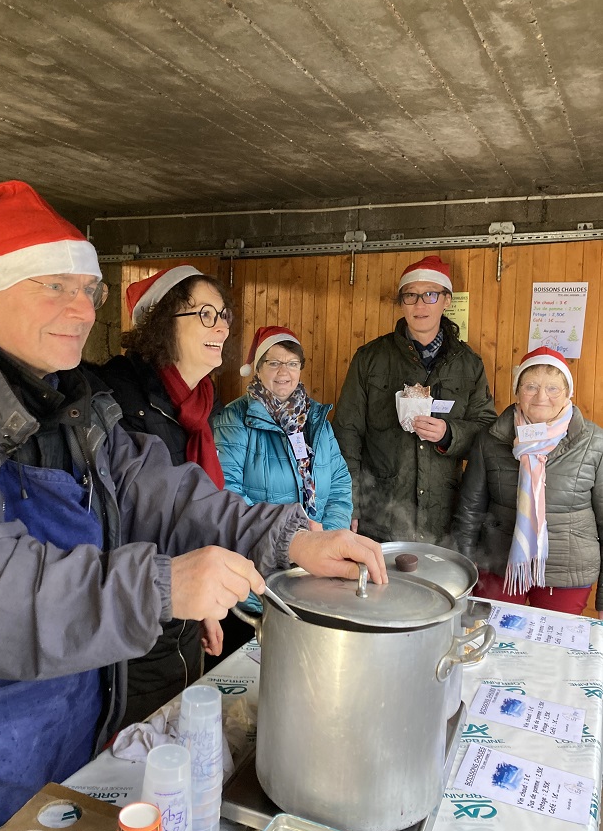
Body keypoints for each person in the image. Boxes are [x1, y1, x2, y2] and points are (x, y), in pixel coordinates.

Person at [0, 180, 387, 831]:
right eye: (52, 286)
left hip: (79, 722)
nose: (79, 307)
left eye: (87, 289)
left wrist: (293, 539)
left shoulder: (74, 405)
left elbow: (170, 492)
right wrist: (160, 585)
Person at [94, 266, 232, 723]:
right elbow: (131, 518)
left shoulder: (196, 403)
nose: (222, 327)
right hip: (134, 622)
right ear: (161, 322)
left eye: (224, 315)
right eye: (206, 314)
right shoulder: (117, 397)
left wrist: (202, 611)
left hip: (181, 615)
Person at [332, 255, 497, 544]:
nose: (420, 305)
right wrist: (349, 505)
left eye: (430, 295)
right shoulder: (370, 359)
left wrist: (450, 434)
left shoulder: (469, 364)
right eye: (410, 295)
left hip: (442, 518)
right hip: (379, 517)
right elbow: (347, 433)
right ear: (402, 303)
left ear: (446, 300)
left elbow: (487, 431)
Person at [452, 347, 603, 617]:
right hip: (499, 563)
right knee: (494, 643)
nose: (541, 397)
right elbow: (470, 510)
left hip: (566, 572)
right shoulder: (491, 439)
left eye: (553, 388)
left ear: (568, 393)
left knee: (553, 654)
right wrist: (465, 571)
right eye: (531, 386)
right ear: (517, 391)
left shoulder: (594, 443)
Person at [214, 325, 352, 531]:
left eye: (292, 363)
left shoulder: (316, 417)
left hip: (319, 550)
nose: (284, 372)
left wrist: (328, 535)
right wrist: (288, 540)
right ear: (258, 369)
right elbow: (228, 490)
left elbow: (340, 484)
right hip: (262, 550)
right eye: (274, 363)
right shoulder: (234, 418)